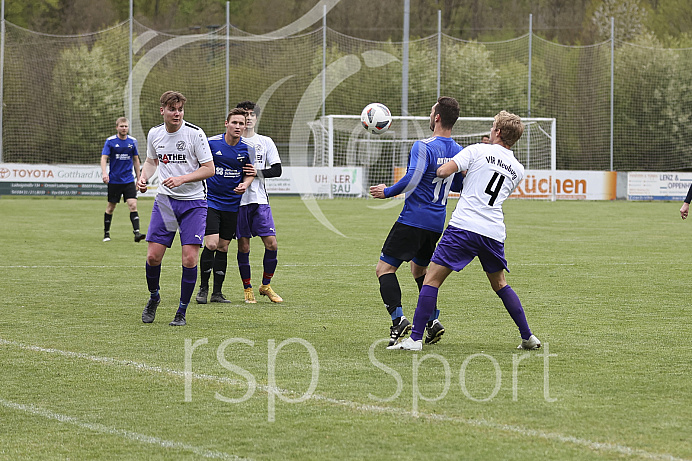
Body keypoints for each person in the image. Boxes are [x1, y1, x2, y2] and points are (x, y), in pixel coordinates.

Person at [388, 110, 541, 351]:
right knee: (500, 284)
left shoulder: (476, 150)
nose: (490, 130)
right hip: (493, 231)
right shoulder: (518, 169)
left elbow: (442, 172)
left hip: (464, 226)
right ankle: (528, 337)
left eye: (493, 127)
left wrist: (460, 166)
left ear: (498, 132)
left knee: (431, 279)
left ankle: (415, 339)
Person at [370, 96, 463, 347]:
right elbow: (458, 184)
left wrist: (387, 191)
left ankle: (398, 319)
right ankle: (432, 321)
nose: (429, 114)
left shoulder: (423, 146)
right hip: (436, 224)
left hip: (413, 219)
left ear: (437, 117)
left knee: (384, 269)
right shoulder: (457, 150)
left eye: (431, 111)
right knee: (419, 270)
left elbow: (412, 178)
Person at [137, 91, 215, 327]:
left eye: (180, 109)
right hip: (165, 202)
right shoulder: (155, 134)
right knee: (153, 256)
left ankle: (181, 312)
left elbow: (209, 168)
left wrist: (183, 179)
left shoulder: (195, 133)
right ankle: (154, 297)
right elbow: (152, 161)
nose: (177, 113)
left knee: (190, 259)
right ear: (162, 110)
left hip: (194, 203)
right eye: (172, 109)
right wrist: (143, 178)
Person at [195, 108, 255, 304]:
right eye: (234, 123)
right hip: (210, 200)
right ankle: (203, 289)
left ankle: (217, 293)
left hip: (232, 204)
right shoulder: (211, 144)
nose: (238, 126)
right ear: (226, 124)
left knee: (223, 247)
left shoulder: (247, 149)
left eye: (241, 123)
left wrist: (245, 184)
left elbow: (250, 172)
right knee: (211, 244)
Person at [234, 101, 283, 304]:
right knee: (244, 247)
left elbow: (277, 169)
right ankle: (248, 289)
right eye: (245, 114)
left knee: (271, 244)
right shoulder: (232, 142)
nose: (249, 117)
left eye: (252, 114)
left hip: (259, 200)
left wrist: (258, 172)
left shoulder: (265, 142)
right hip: (238, 201)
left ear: (256, 118)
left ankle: (266, 285)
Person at [100, 117, 145, 243]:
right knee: (111, 207)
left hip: (128, 180)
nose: (124, 128)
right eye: (122, 126)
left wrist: (139, 177)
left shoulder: (132, 142)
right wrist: (104, 173)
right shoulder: (110, 141)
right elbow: (104, 158)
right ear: (117, 127)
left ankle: (137, 233)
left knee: (133, 205)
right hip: (114, 181)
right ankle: (106, 233)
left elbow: (136, 160)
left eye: (126, 126)